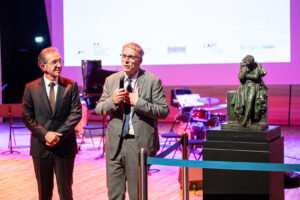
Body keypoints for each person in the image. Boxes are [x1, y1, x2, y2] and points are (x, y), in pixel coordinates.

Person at [95, 42, 169, 200]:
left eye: (130, 57)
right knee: (114, 194)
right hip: (115, 144)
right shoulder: (111, 80)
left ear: (140, 60)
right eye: (123, 56)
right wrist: (113, 101)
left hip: (138, 145)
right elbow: (99, 109)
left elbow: (163, 111)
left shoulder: (152, 81)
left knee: (137, 195)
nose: (125, 60)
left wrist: (138, 102)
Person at [22, 47, 82, 200]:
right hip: (41, 148)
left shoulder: (71, 85)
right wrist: (45, 134)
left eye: (60, 61)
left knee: (66, 192)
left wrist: (57, 136)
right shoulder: (31, 87)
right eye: (54, 62)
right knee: (44, 193)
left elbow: (76, 114)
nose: (59, 65)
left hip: (65, 147)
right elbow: (27, 117)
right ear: (43, 66)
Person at [233, 55, 268, 127]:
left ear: (251, 62)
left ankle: (246, 119)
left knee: (250, 101)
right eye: (246, 63)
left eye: (248, 63)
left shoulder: (256, 66)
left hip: (253, 86)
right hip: (244, 86)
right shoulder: (243, 66)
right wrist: (246, 72)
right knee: (244, 100)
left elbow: (256, 77)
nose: (247, 64)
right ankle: (243, 117)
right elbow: (240, 77)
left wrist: (246, 75)